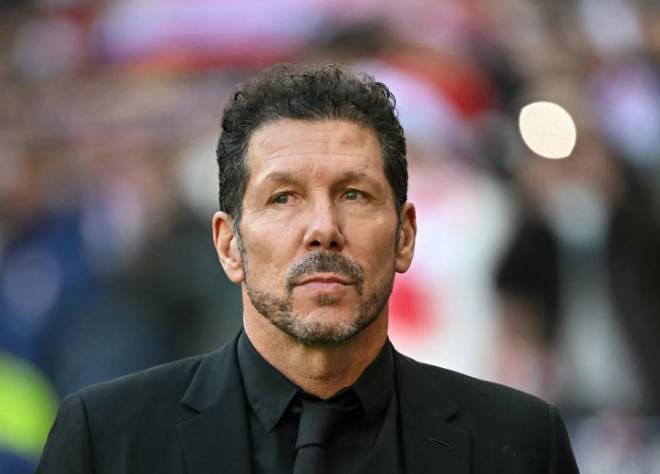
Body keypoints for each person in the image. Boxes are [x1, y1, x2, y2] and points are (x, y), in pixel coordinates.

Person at [36, 64, 579, 474]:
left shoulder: (521, 443)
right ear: (229, 245)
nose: (323, 227)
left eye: (354, 193)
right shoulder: (106, 440)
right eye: (283, 197)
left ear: (405, 236)